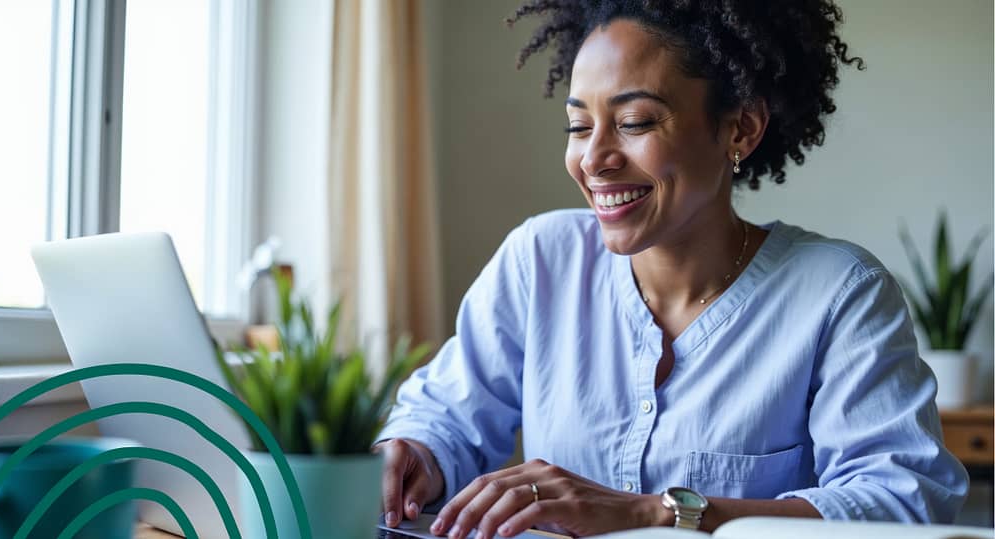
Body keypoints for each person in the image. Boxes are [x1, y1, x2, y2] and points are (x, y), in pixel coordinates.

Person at [374, 1, 969, 537]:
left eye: (634, 123)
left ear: (741, 127)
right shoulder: (540, 260)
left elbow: (902, 500)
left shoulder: (841, 295)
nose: (594, 160)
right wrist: (415, 456)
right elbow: (445, 417)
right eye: (579, 126)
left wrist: (656, 512)